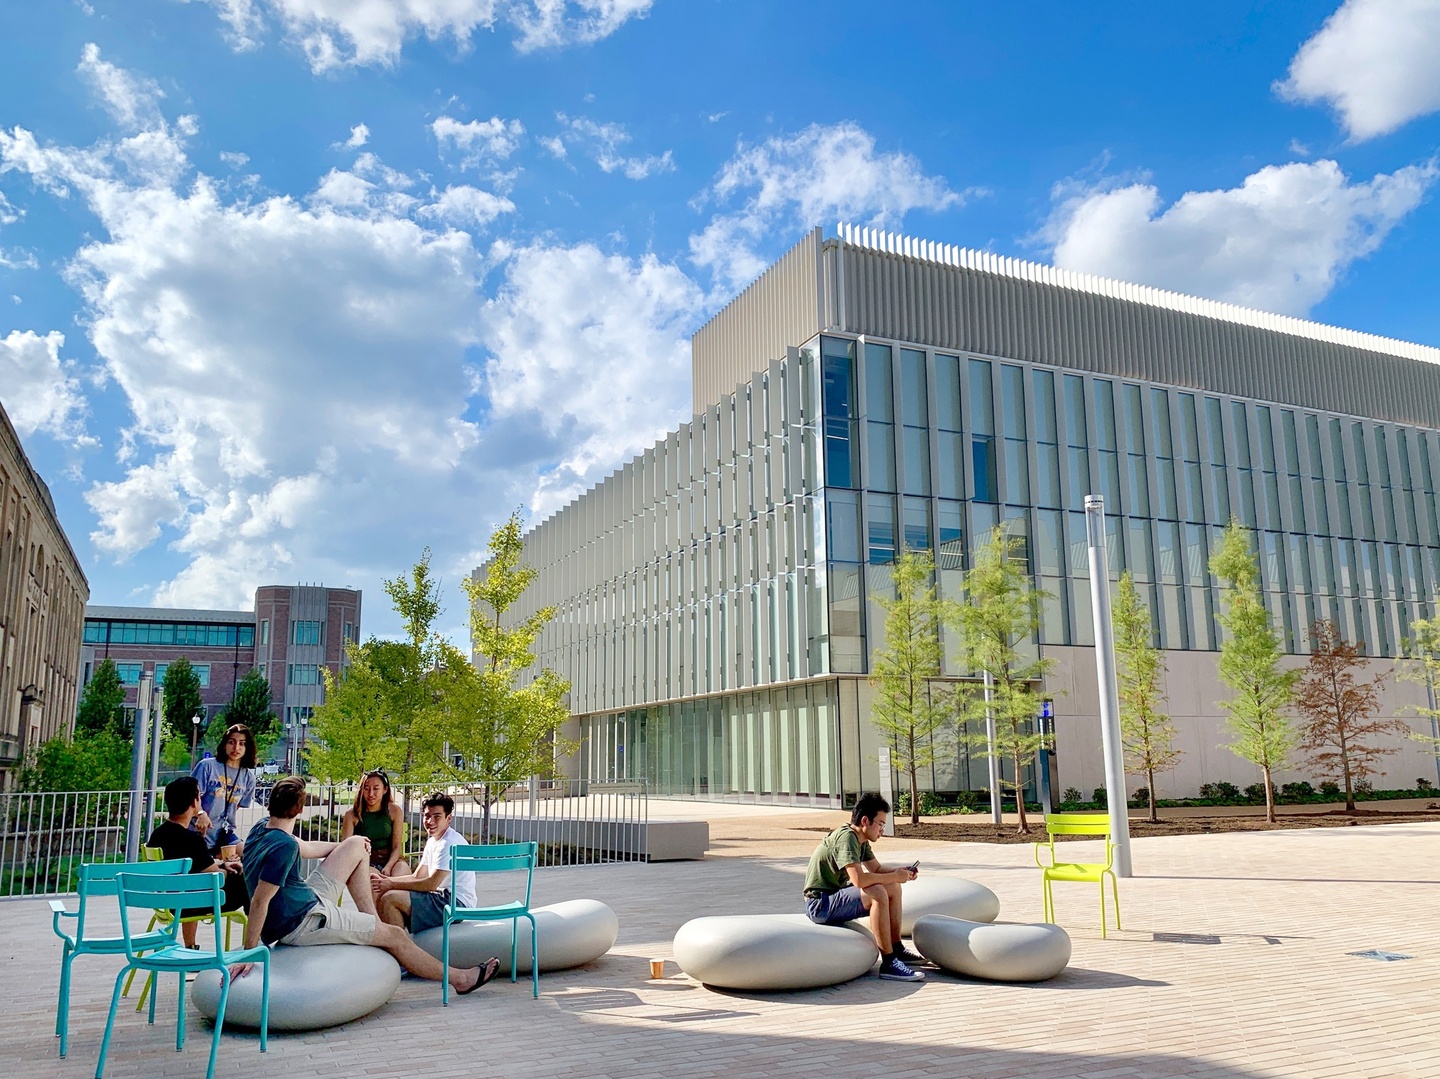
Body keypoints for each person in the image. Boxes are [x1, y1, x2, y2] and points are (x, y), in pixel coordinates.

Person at [230, 776, 499, 995]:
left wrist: (347, 848)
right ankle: (460, 979)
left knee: (357, 843)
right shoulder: (283, 848)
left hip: (305, 898)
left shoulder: (262, 828)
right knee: (395, 936)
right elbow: (260, 901)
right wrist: (249, 951)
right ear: (300, 810)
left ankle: (371, 922)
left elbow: (307, 847)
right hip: (304, 921)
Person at [802, 791, 926, 982]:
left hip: (835, 894)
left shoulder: (861, 839)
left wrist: (901, 872)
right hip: (820, 904)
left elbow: (875, 868)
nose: (882, 830)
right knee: (877, 893)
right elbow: (859, 880)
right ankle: (889, 963)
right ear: (866, 821)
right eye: (881, 824)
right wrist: (894, 875)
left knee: (893, 887)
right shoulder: (847, 838)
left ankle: (897, 949)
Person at [147, 777, 250, 948]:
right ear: (195, 802)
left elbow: (196, 870)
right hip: (191, 903)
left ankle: (191, 946)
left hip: (168, 903)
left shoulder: (157, 835)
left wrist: (223, 865)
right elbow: (214, 876)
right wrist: (230, 869)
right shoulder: (190, 839)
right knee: (246, 880)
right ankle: (260, 937)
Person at [372, 793, 476, 934]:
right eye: (427, 816)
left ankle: (398, 947)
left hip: (455, 903)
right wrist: (386, 880)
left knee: (390, 898)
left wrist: (391, 884)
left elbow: (430, 884)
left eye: (437, 817)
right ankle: (399, 944)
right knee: (387, 893)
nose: (430, 821)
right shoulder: (433, 841)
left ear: (448, 818)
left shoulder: (449, 843)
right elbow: (418, 876)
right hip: (442, 899)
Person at [191, 724, 258, 853]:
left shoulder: (248, 778)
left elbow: (235, 806)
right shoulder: (207, 766)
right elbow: (191, 796)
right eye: (231, 742)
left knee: (249, 856)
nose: (236, 748)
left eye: (242, 743)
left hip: (225, 833)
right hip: (198, 831)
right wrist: (201, 813)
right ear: (224, 744)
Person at [340, 770, 411, 878]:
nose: (371, 793)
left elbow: (396, 847)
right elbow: (346, 848)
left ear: (385, 789)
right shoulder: (351, 815)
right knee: (376, 883)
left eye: (376, 788)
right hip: (366, 862)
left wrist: (388, 867)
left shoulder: (394, 810)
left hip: (392, 860)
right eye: (366, 788)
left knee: (401, 882)